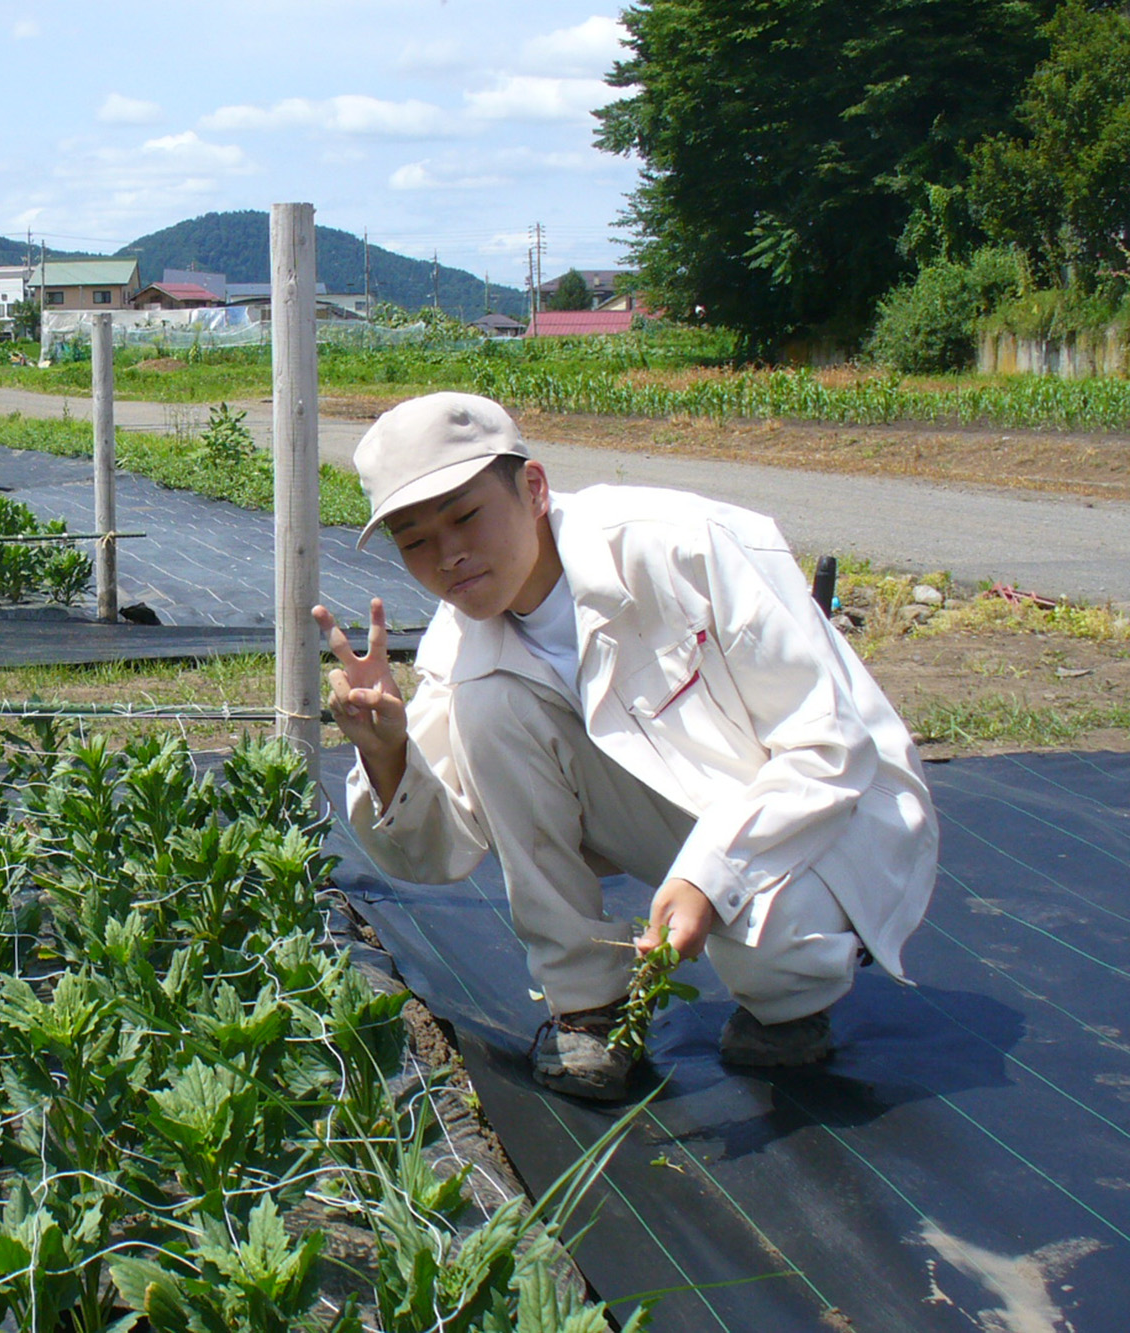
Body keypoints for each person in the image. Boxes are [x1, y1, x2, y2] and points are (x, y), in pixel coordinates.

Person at [316, 392, 937, 1101]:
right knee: (489, 703)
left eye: (465, 515)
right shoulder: (463, 643)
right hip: (678, 807)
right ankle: (589, 1005)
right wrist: (388, 752)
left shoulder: (685, 548)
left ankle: (804, 982)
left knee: (777, 962)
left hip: (835, 813)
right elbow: (441, 849)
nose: (449, 554)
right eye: (414, 538)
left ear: (534, 488)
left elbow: (830, 744)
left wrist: (712, 873)